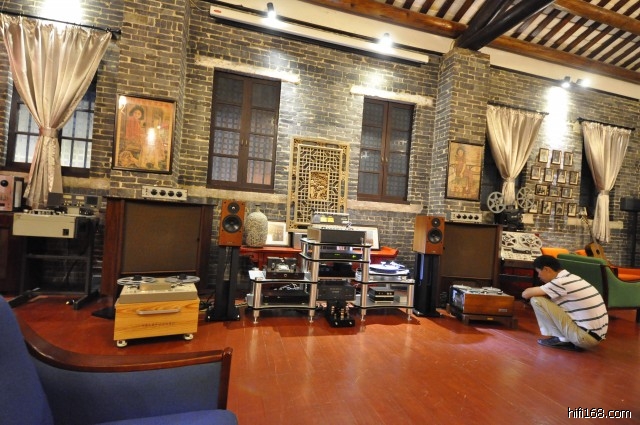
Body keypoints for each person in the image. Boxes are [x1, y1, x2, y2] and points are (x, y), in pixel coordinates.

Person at [522, 255, 608, 351]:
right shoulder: (572, 277)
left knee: (536, 300)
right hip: (594, 336)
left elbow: (525, 294)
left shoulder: (560, 282)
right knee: (547, 298)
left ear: (546, 269)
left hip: (584, 338)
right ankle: (567, 338)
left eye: (538, 272)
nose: (538, 276)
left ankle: (563, 340)